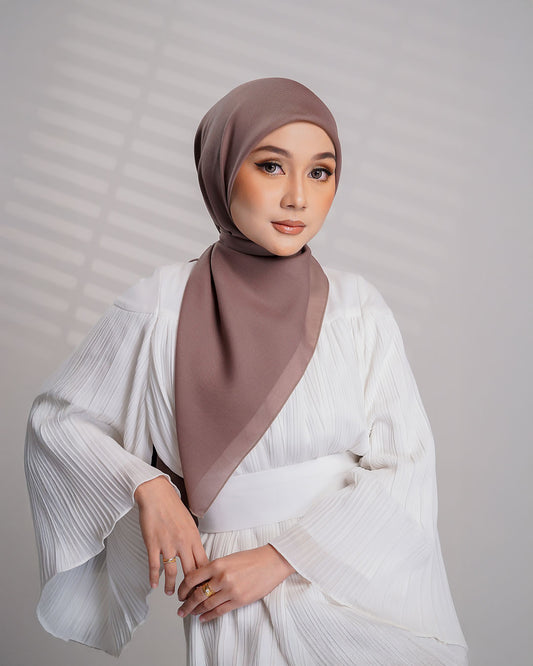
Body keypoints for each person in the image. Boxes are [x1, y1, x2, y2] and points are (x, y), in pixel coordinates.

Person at [24, 77, 468, 665]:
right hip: (226, 593)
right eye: (271, 166)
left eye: (320, 172)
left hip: (359, 588)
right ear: (222, 169)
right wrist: (147, 485)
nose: (298, 198)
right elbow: (58, 423)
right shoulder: (158, 306)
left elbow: (405, 466)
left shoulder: (356, 309)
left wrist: (282, 559)